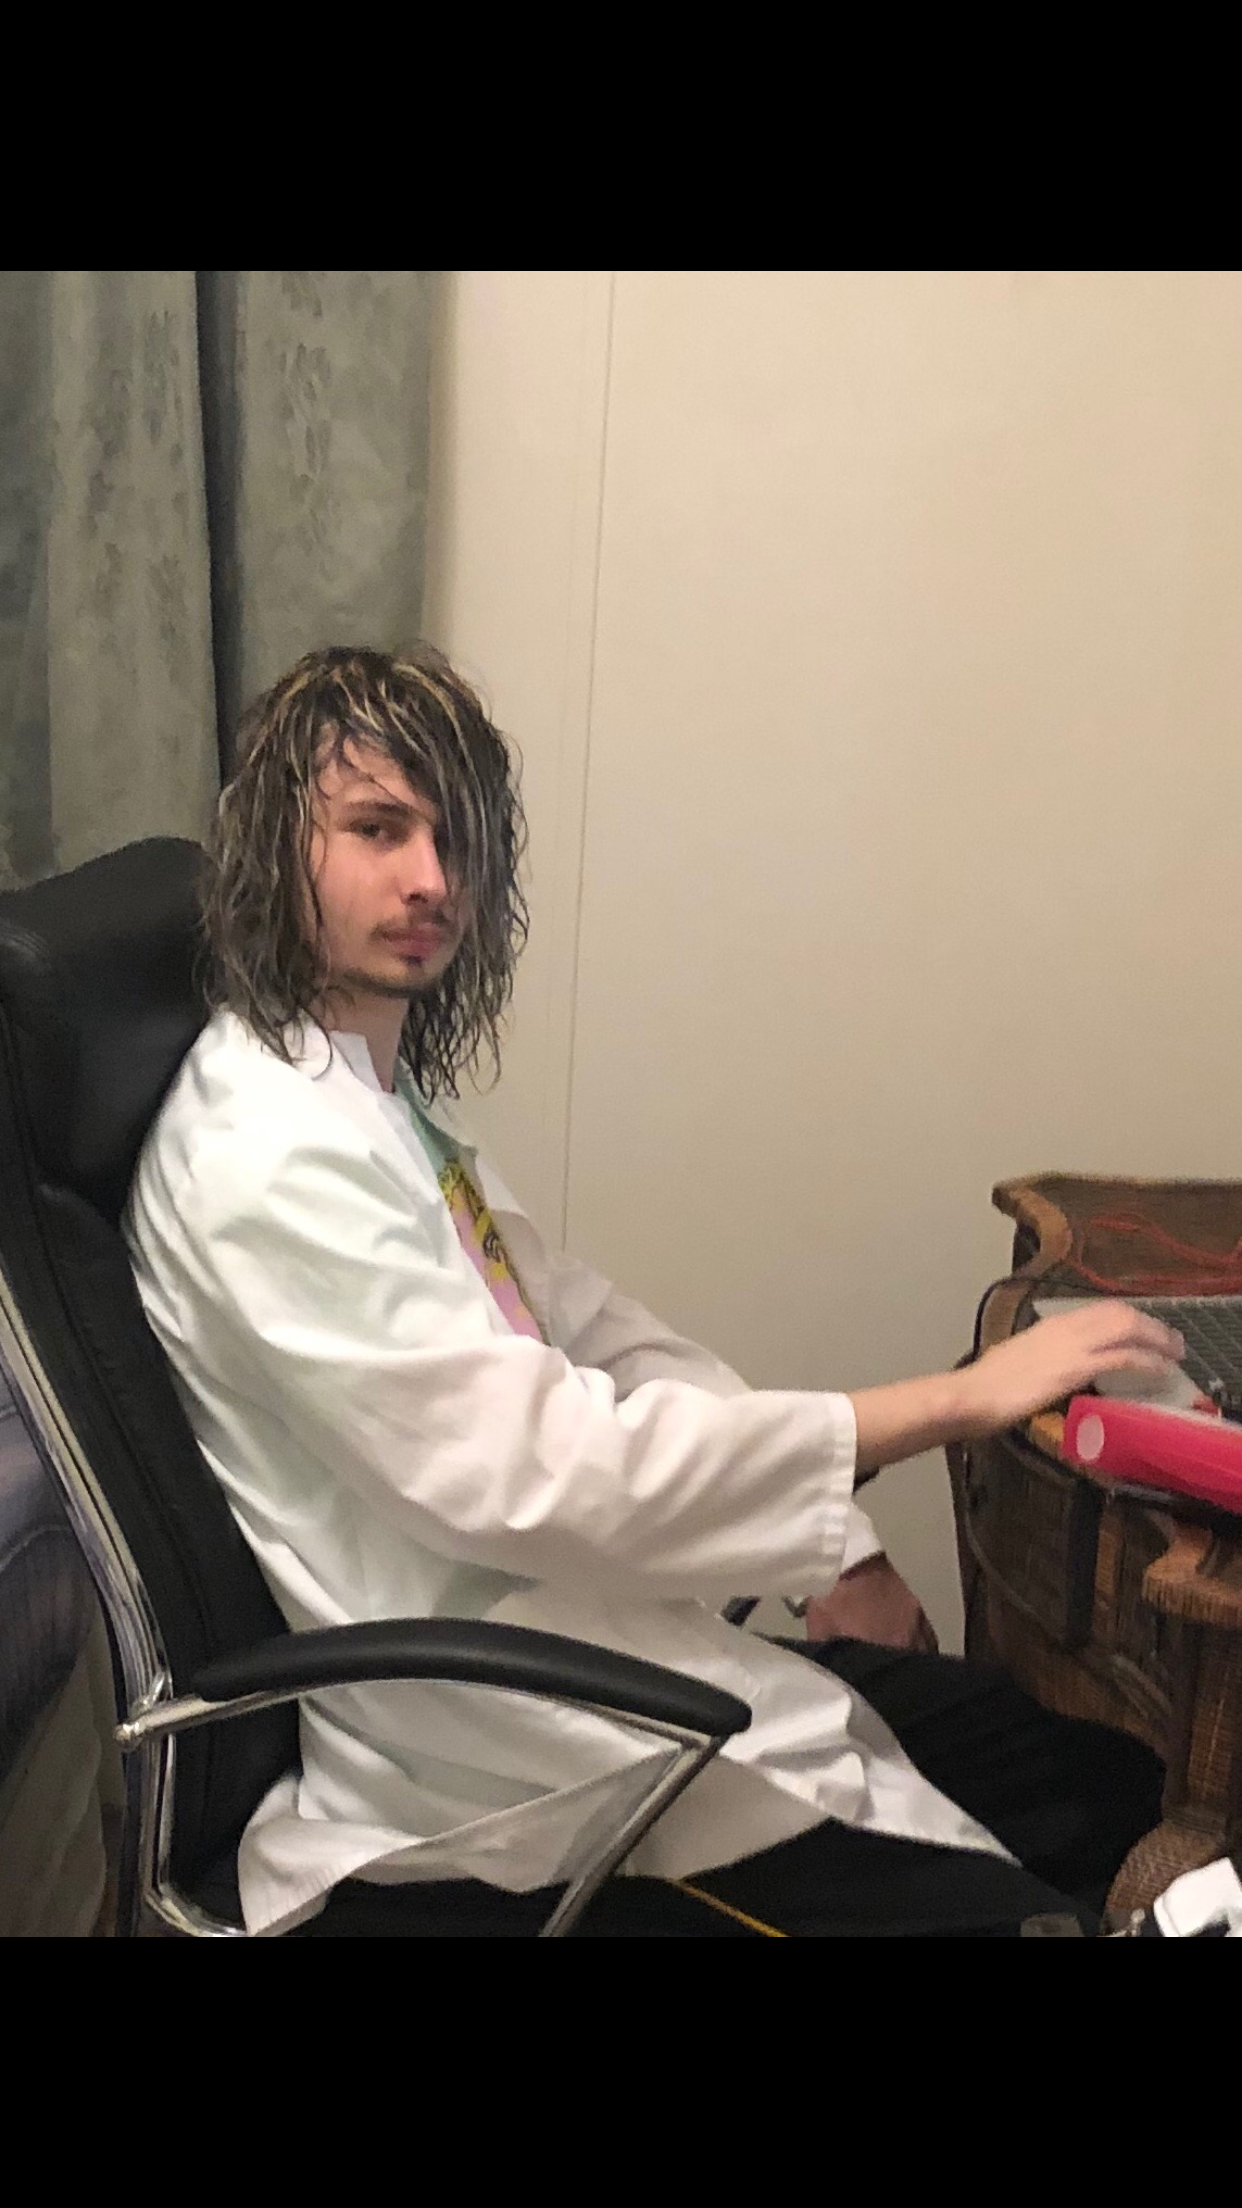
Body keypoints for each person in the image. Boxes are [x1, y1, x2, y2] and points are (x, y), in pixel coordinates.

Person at [125, 645, 1181, 1937]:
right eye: (378, 830)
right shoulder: (268, 1160)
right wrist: (953, 1404)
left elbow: (589, 1328)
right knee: (1017, 1907)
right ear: (275, 847)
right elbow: (552, 1472)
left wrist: (838, 1545)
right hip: (505, 1765)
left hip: (597, 1654)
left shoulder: (362, 1095)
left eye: (455, 837)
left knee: (1093, 1776)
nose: (432, 880)